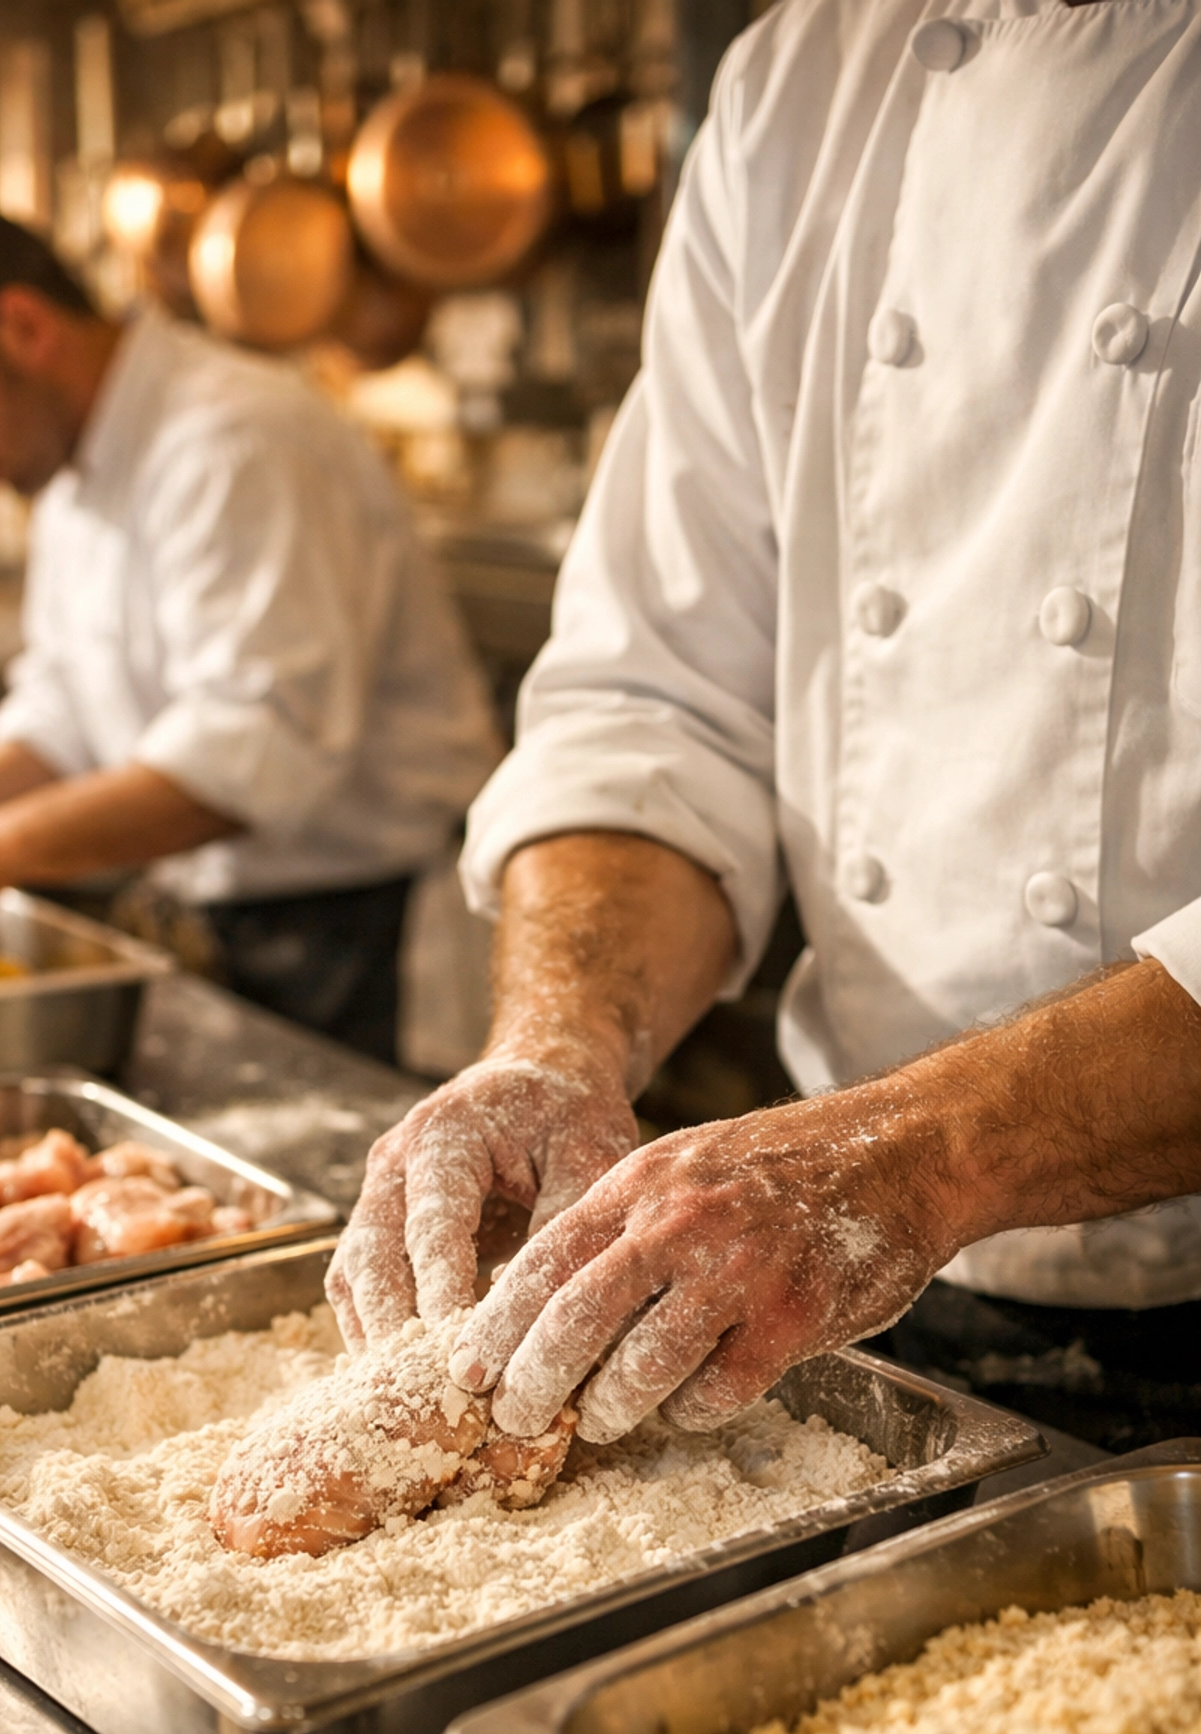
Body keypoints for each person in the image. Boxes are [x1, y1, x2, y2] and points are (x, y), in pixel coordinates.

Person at [328, 0, 1201, 1453]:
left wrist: (916, 1157)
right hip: (852, 1294)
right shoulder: (807, 72)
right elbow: (655, 698)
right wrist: (555, 1046)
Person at [0, 205, 496, 1065]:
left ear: (24, 327)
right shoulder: (68, 474)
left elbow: (253, 751)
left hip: (372, 936)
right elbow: (63, 721)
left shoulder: (236, 442)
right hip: (233, 928)